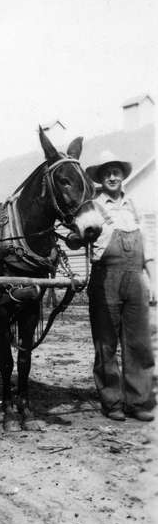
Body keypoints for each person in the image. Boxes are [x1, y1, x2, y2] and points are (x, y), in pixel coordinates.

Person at [86, 151, 156, 422]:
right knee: (106, 343)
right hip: (106, 279)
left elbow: (148, 247)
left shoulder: (134, 205)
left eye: (115, 172)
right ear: (101, 179)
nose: (112, 177)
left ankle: (137, 401)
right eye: (106, 173)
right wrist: (78, 235)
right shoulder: (92, 207)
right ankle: (112, 401)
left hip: (136, 279)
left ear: (122, 175)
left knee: (138, 342)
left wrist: (154, 281)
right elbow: (76, 237)